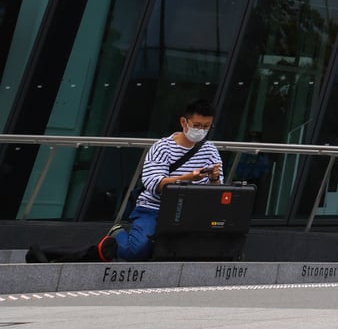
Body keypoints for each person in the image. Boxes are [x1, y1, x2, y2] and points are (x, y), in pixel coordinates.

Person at [28, 98, 222, 263]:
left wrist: (214, 179)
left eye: (206, 127)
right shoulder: (162, 148)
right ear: (184, 122)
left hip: (189, 212)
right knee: (135, 252)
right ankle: (117, 233)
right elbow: (154, 183)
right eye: (197, 125)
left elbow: (218, 191)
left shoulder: (210, 150)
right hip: (153, 209)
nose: (201, 131)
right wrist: (186, 179)